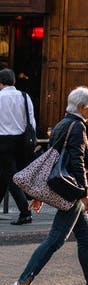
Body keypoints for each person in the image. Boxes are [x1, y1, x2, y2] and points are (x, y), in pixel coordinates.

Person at [7, 85, 88, 285]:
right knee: (55, 240)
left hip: (66, 189)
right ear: (83, 107)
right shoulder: (77, 127)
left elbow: (52, 161)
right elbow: (77, 162)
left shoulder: (62, 124)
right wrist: (84, 194)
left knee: (86, 238)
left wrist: (41, 193)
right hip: (72, 192)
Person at [0, 68, 36, 225]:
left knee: (11, 177)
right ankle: (24, 211)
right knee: (4, 176)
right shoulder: (24, 96)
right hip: (22, 141)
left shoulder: (0, 97)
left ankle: (25, 212)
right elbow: (31, 120)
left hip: (3, 141)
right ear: (13, 81)